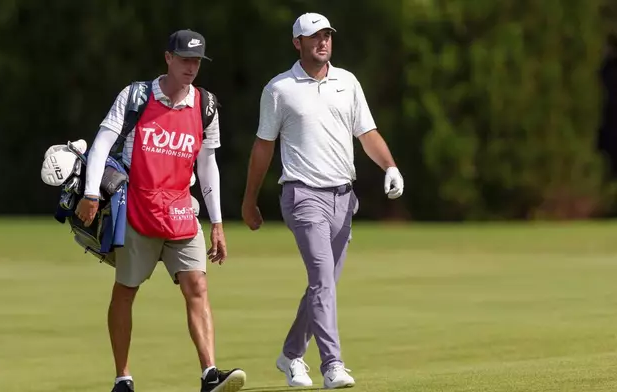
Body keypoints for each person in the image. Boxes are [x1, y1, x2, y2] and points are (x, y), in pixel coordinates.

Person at [76, 29, 246, 392]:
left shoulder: (206, 104)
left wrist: (217, 222)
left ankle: (209, 374)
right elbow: (103, 142)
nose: (191, 67)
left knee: (197, 284)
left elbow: (207, 165)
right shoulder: (135, 96)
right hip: (137, 208)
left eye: (197, 61)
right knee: (126, 289)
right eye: (185, 59)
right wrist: (91, 193)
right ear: (168, 57)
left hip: (182, 209)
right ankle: (123, 378)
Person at [241, 13, 404, 390]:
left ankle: (290, 355)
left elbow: (367, 133)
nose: (323, 42)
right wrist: (249, 200)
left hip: (344, 199)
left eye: (327, 35)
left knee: (323, 285)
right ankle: (332, 365)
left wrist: (390, 166)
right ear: (297, 42)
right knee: (321, 281)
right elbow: (263, 147)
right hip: (302, 195)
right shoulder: (279, 89)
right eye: (314, 37)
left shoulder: (347, 82)